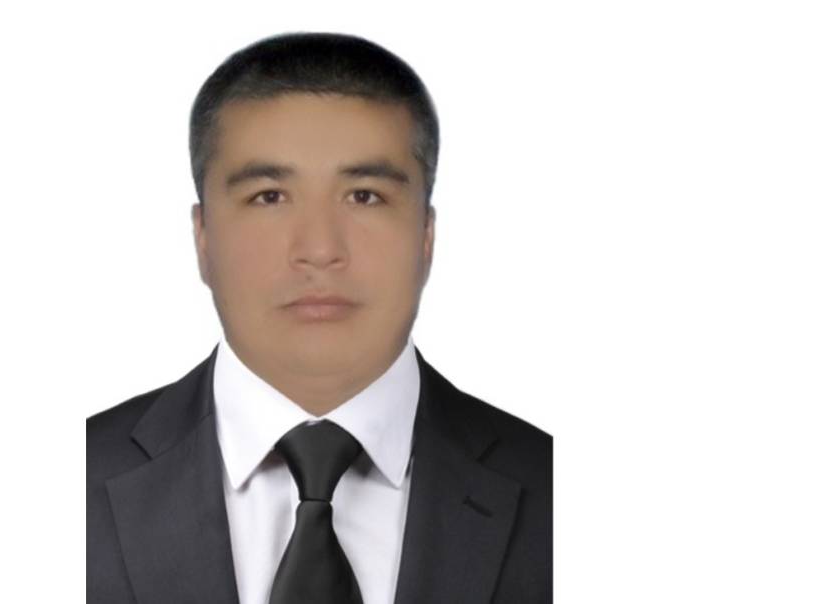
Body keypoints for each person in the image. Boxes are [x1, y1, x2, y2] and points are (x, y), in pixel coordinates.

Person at [87, 31, 551, 604]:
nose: (320, 249)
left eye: (364, 196)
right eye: (269, 196)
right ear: (202, 237)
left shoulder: (554, 488)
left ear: (426, 235)